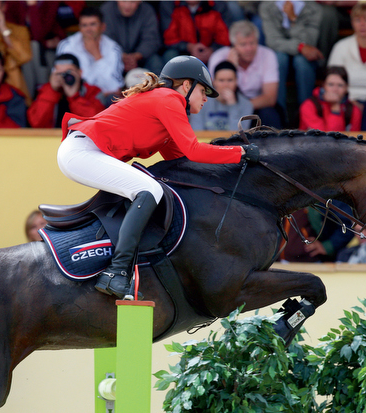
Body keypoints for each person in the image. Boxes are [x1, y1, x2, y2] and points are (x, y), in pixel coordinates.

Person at [56, 55, 256, 298]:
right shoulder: (169, 98)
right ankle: (116, 272)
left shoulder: (164, 105)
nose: (205, 99)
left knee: (150, 188)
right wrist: (241, 152)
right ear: (186, 85)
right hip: (82, 152)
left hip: (83, 151)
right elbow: (194, 150)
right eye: (203, 91)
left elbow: (182, 161)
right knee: (150, 190)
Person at [208, 20, 281, 127]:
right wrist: (231, 68)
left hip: (257, 106)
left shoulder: (267, 55)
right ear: (233, 45)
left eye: (252, 43)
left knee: (270, 114)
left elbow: (270, 98)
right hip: (226, 105)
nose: (249, 49)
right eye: (243, 44)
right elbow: (216, 94)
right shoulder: (218, 57)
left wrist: (243, 107)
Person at [259, 0, 324, 107]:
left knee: (302, 62)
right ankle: (279, 112)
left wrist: (294, 19)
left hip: (304, 59)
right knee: (279, 58)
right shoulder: (267, 6)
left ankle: (305, 111)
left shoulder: (313, 7)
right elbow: (273, 42)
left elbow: (310, 42)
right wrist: (300, 47)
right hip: (281, 56)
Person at [56, 7, 125, 104]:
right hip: (74, 97)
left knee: (114, 99)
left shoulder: (113, 48)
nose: (88, 29)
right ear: (80, 28)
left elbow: (115, 87)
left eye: (93, 24)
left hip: (102, 100)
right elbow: (58, 79)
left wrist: (97, 55)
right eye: (84, 25)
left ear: (103, 27)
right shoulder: (67, 45)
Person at [27, 53, 104, 128]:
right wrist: (52, 91)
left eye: (68, 72)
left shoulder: (92, 91)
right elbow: (36, 123)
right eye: (59, 73)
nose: (64, 77)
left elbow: (95, 123)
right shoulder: (45, 91)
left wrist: (74, 96)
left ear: (80, 72)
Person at [100, 1, 163, 74]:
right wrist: (121, 56)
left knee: (155, 61)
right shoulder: (106, 10)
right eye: (124, 1)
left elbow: (151, 39)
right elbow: (105, 39)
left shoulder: (147, 11)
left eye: (133, 1)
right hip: (115, 57)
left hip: (141, 58)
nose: (127, 6)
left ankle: (159, 81)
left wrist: (136, 56)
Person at [189, 60, 254, 131]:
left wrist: (233, 105)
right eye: (221, 80)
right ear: (214, 82)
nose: (225, 85)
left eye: (230, 80)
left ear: (236, 81)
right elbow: (197, 131)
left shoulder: (246, 104)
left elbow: (240, 134)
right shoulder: (200, 101)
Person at [161, 0, 230, 66]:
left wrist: (212, 50)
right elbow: (169, 38)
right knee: (170, 55)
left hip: (211, 51)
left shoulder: (217, 5)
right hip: (183, 51)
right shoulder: (171, 4)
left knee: (225, 53)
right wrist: (188, 47)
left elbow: (225, 38)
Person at [298, 65, 362, 131]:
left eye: (340, 85)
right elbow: (323, 135)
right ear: (323, 86)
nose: (335, 89)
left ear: (346, 88)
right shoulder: (309, 106)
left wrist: (335, 106)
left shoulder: (353, 110)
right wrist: (335, 107)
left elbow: (355, 136)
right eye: (331, 84)